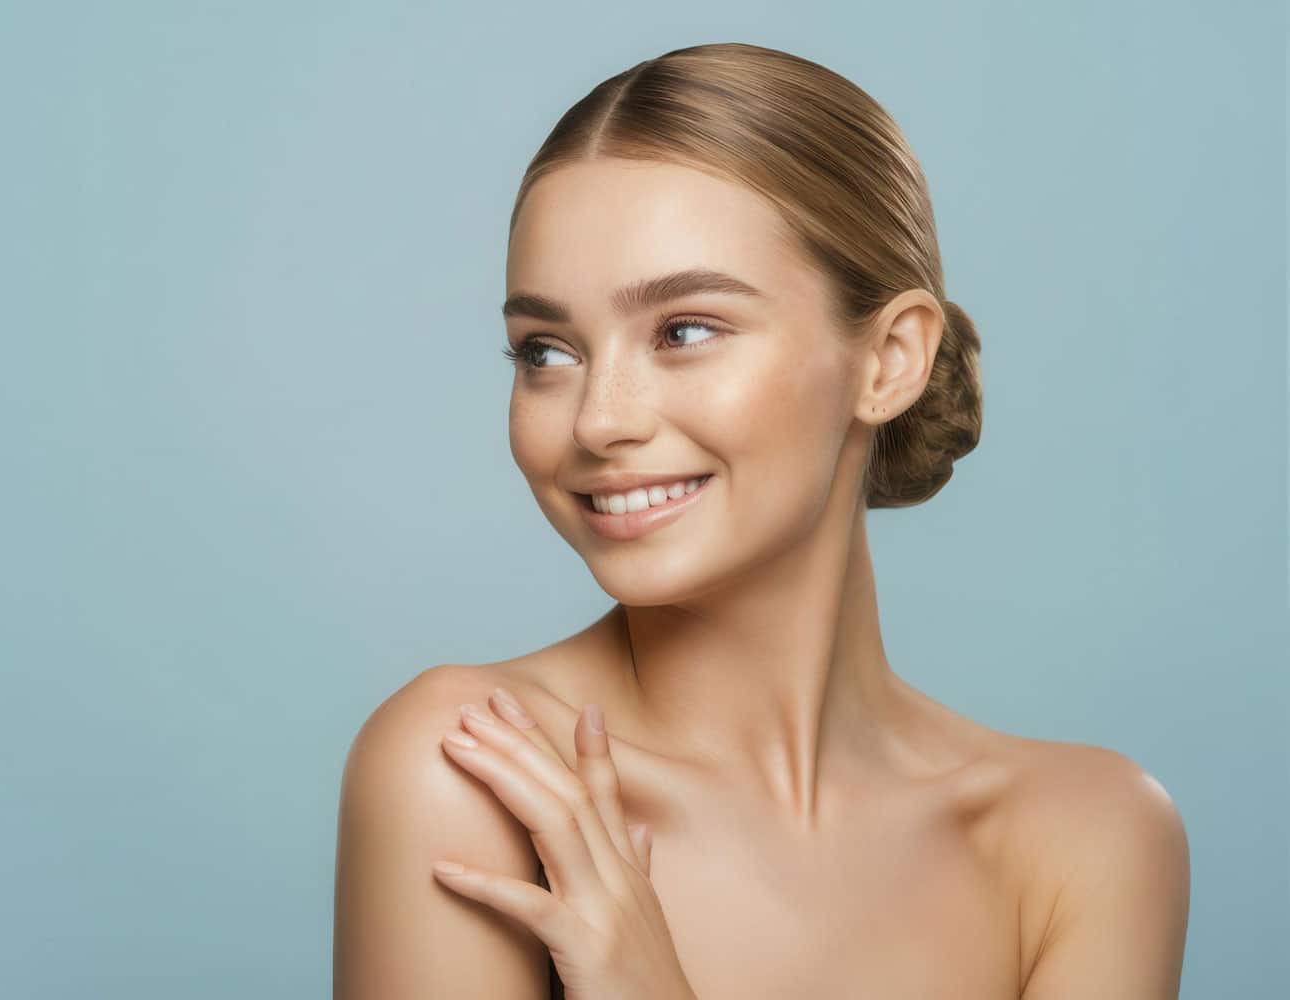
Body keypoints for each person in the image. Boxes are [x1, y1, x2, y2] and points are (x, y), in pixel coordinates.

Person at [333, 42, 1190, 999]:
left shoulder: (1087, 838)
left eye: (684, 330)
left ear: (889, 360)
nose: (600, 419)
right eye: (546, 350)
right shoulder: (477, 771)